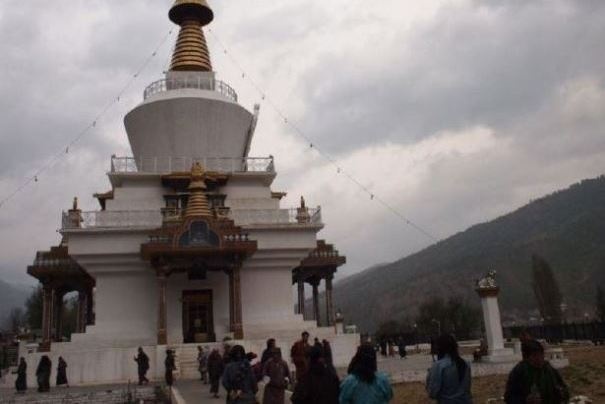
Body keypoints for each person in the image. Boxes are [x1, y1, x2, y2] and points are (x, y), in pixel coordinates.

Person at [504, 340, 569, 404]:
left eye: (541, 354)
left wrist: (562, 393)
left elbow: (563, 387)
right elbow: (509, 397)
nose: (539, 358)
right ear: (527, 358)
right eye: (535, 355)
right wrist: (525, 400)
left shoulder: (548, 369)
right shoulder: (519, 371)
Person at [426, 334, 472, 404]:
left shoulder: (439, 366)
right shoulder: (466, 364)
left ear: (439, 348)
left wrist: (429, 375)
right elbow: (467, 389)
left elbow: (432, 393)